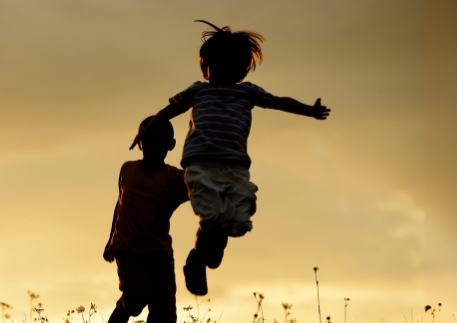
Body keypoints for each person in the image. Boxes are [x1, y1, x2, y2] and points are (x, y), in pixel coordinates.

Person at [130, 20, 331, 296]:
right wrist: (147, 131)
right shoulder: (198, 91)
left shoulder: (247, 92)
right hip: (202, 165)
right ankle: (197, 262)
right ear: (206, 66)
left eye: (232, 66)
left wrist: (309, 110)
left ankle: (204, 257)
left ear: (241, 70)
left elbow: (279, 101)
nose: (224, 71)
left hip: (236, 169)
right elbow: (166, 112)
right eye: (218, 65)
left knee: (238, 220)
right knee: (212, 218)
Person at [104, 116, 190, 323]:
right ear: (139, 143)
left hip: (159, 251)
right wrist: (110, 239)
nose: (152, 148)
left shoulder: (174, 178)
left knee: (163, 304)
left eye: (159, 143)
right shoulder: (128, 169)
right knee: (138, 293)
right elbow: (120, 204)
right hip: (127, 248)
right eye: (148, 142)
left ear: (170, 145)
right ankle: (123, 309)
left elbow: (203, 186)